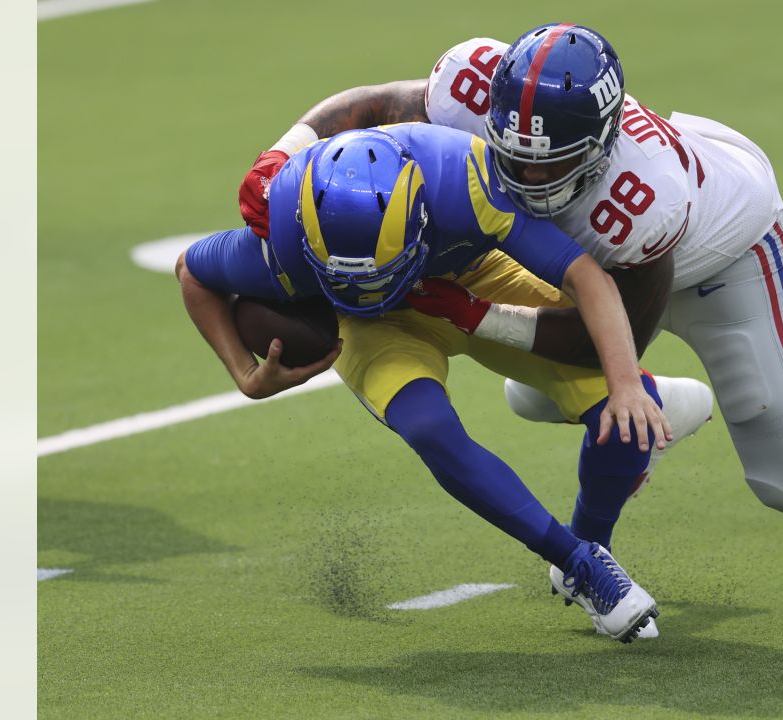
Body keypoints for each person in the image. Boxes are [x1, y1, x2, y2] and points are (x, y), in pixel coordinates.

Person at [238, 24, 783, 636]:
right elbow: (372, 106)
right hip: (592, 270)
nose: (527, 179)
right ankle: (600, 523)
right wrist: (286, 153)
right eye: (514, 158)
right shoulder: (477, 83)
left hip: (720, 257)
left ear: (598, 150)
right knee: (559, 393)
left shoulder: (640, 202)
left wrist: (470, 312)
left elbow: (607, 336)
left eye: (550, 168)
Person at [181, 125, 676, 642]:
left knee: (629, 414)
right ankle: (580, 566)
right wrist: (245, 375)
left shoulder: (466, 185)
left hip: (465, 276)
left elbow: (585, 275)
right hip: (374, 332)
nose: (367, 292)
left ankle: (593, 543)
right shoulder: (280, 236)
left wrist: (624, 385)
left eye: (378, 275)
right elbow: (193, 273)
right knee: (430, 429)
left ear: (419, 221)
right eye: (347, 279)